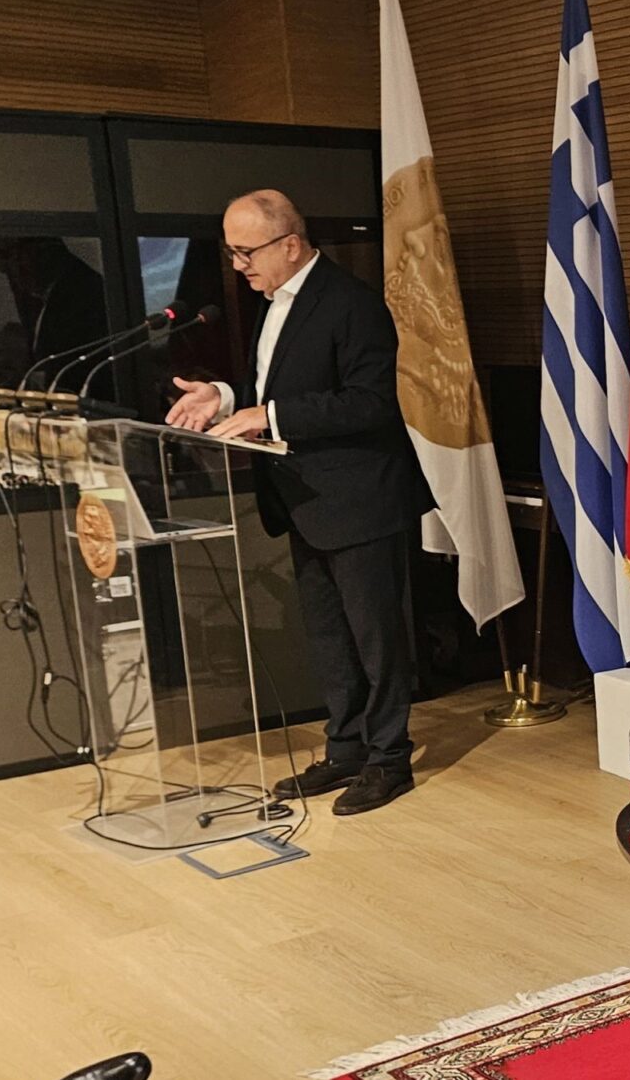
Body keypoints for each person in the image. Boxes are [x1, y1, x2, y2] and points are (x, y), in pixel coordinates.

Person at [167, 189, 429, 816]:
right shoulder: (275, 302)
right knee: (330, 637)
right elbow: (278, 385)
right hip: (305, 500)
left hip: (360, 500)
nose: (238, 265)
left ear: (290, 244)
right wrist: (226, 396)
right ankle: (347, 749)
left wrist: (270, 415)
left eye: (246, 252)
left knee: (376, 639)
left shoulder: (351, 303)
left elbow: (370, 402)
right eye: (231, 253)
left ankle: (389, 759)